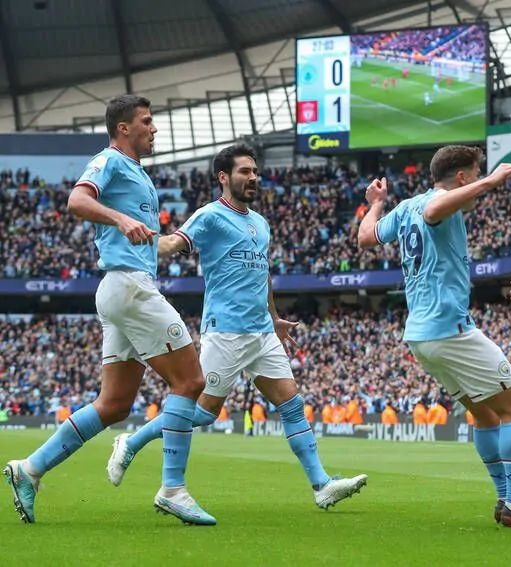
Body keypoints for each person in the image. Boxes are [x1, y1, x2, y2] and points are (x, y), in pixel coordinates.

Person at [107, 144, 366, 510]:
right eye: (245, 171)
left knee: (292, 404)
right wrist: (138, 239)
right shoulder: (210, 216)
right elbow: (171, 243)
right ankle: (131, 442)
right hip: (225, 330)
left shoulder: (260, 223)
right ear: (224, 177)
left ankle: (321, 484)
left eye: (255, 172)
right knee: (202, 413)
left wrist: (274, 317)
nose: (253, 178)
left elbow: (263, 273)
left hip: (261, 331)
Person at [3, 95, 215, 526]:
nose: (154, 129)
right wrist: (119, 220)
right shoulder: (110, 160)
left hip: (123, 290)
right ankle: (173, 489)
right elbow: (77, 201)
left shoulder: (136, 172)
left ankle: (30, 468)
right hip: (129, 288)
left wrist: (179, 236)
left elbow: (149, 237)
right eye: (147, 121)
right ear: (123, 128)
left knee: (115, 404)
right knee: (191, 380)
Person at [357, 145, 511, 528]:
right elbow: (436, 211)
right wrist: (492, 180)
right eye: (477, 171)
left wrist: (376, 204)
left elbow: (366, 238)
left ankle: (506, 499)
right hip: (449, 328)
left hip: (420, 336)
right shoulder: (435, 203)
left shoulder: (404, 208)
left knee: (485, 414)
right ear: (464, 177)